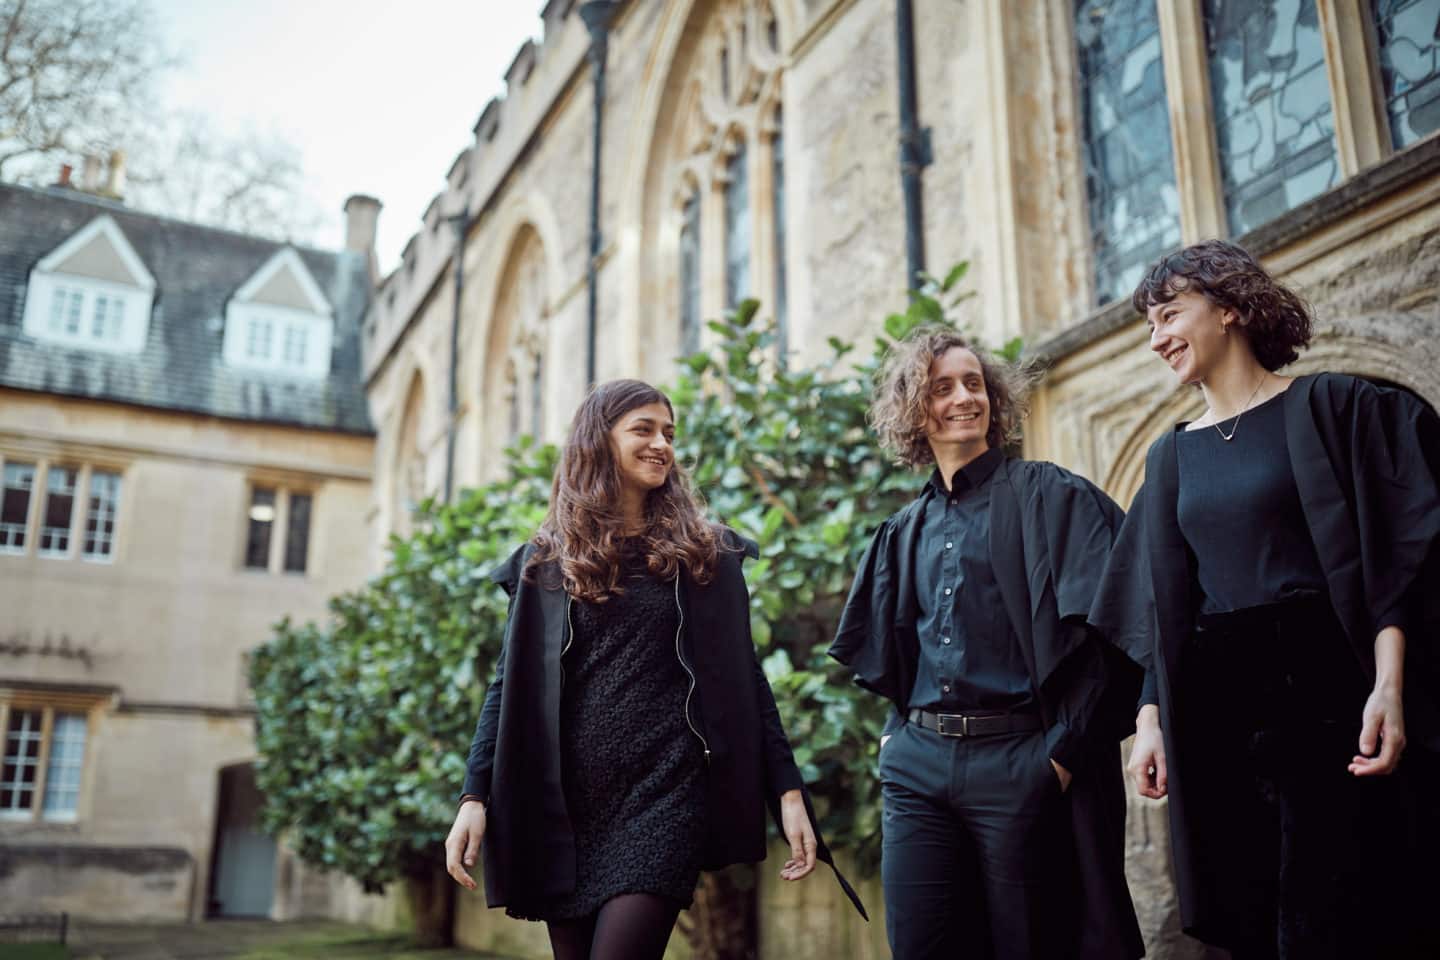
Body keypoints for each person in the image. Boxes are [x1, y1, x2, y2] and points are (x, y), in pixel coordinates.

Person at [1091, 239, 1440, 959]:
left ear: (1229, 309)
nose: (1156, 339)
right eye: (1148, 326)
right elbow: (1164, 606)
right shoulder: (1169, 456)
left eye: (1169, 315)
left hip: (1328, 691)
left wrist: (1389, 687)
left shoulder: (1334, 407)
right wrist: (1150, 719)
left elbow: (1394, 563)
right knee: (1251, 917)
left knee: (1341, 913)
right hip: (1218, 715)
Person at [443, 379, 864, 960]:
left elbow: (746, 681)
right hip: (567, 807)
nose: (661, 444)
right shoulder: (545, 562)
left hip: (665, 794)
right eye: (643, 429)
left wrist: (788, 791)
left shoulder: (703, 554)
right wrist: (474, 797)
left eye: (668, 433)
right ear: (598, 440)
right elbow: (505, 686)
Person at [829, 328, 1144, 960]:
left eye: (974, 383)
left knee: (1032, 944)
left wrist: (1061, 753)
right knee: (923, 945)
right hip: (917, 766)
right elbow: (890, 653)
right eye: (943, 387)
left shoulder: (1050, 496)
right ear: (917, 408)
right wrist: (896, 741)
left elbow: (1118, 627)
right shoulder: (903, 530)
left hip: (1021, 760)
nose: (964, 398)